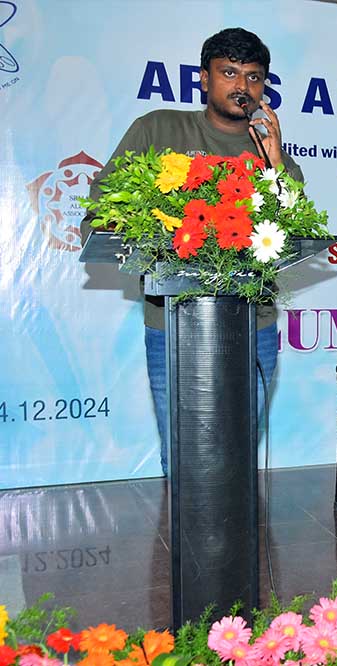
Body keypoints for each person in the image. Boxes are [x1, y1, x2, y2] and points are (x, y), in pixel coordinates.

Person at [82, 28, 303, 474]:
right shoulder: (158, 128)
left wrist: (276, 161)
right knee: (186, 458)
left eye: (254, 77)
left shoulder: (269, 153)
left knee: (236, 458)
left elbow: (297, 227)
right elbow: (101, 210)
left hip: (253, 326)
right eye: (229, 73)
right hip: (173, 326)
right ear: (204, 78)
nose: (243, 86)